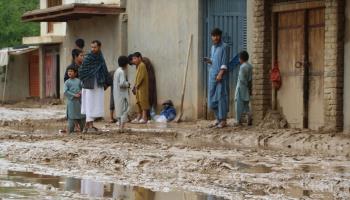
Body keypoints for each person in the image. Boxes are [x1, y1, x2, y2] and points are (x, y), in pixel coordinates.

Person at [79, 40, 109, 132]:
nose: (93, 49)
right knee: (89, 104)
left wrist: (106, 82)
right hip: (89, 84)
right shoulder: (88, 57)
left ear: (99, 47)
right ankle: (88, 125)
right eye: (92, 47)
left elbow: (104, 69)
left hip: (98, 83)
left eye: (95, 47)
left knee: (95, 103)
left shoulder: (100, 57)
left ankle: (89, 125)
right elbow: (82, 70)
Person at [204, 28, 230, 128]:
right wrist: (209, 61)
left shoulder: (225, 47)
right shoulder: (213, 48)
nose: (215, 37)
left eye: (217, 35)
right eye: (214, 36)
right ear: (211, 37)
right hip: (212, 76)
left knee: (221, 97)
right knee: (211, 98)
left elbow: (224, 62)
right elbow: (214, 61)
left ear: (220, 36)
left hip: (221, 77)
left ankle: (223, 120)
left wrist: (220, 73)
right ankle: (218, 118)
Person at [64, 66, 85, 134]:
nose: (69, 72)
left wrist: (81, 92)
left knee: (82, 116)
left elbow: (83, 88)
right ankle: (71, 130)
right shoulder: (67, 82)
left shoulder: (79, 81)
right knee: (71, 117)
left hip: (79, 102)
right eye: (68, 71)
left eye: (71, 71)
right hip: (71, 102)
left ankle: (83, 129)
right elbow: (66, 91)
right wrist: (74, 95)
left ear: (75, 73)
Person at [235, 50, 253, 126]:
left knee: (238, 104)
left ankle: (238, 121)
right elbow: (250, 79)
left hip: (240, 87)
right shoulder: (250, 66)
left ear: (241, 58)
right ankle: (249, 117)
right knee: (246, 104)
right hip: (246, 88)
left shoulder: (242, 67)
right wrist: (249, 88)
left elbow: (241, 79)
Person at [131, 52, 150, 124]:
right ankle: (139, 116)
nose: (134, 60)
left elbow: (140, 78)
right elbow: (137, 78)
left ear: (139, 58)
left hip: (142, 87)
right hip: (138, 88)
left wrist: (136, 86)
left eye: (135, 58)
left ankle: (144, 118)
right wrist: (135, 86)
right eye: (133, 59)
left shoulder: (142, 65)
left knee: (143, 101)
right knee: (138, 101)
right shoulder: (138, 66)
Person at [113, 56, 131, 129]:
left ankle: (120, 126)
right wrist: (128, 84)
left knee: (119, 110)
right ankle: (122, 127)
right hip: (122, 94)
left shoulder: (117, 71)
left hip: (117, 94)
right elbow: (122, 83)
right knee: (125, 108)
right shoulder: (121, 72)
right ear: (126, 64)